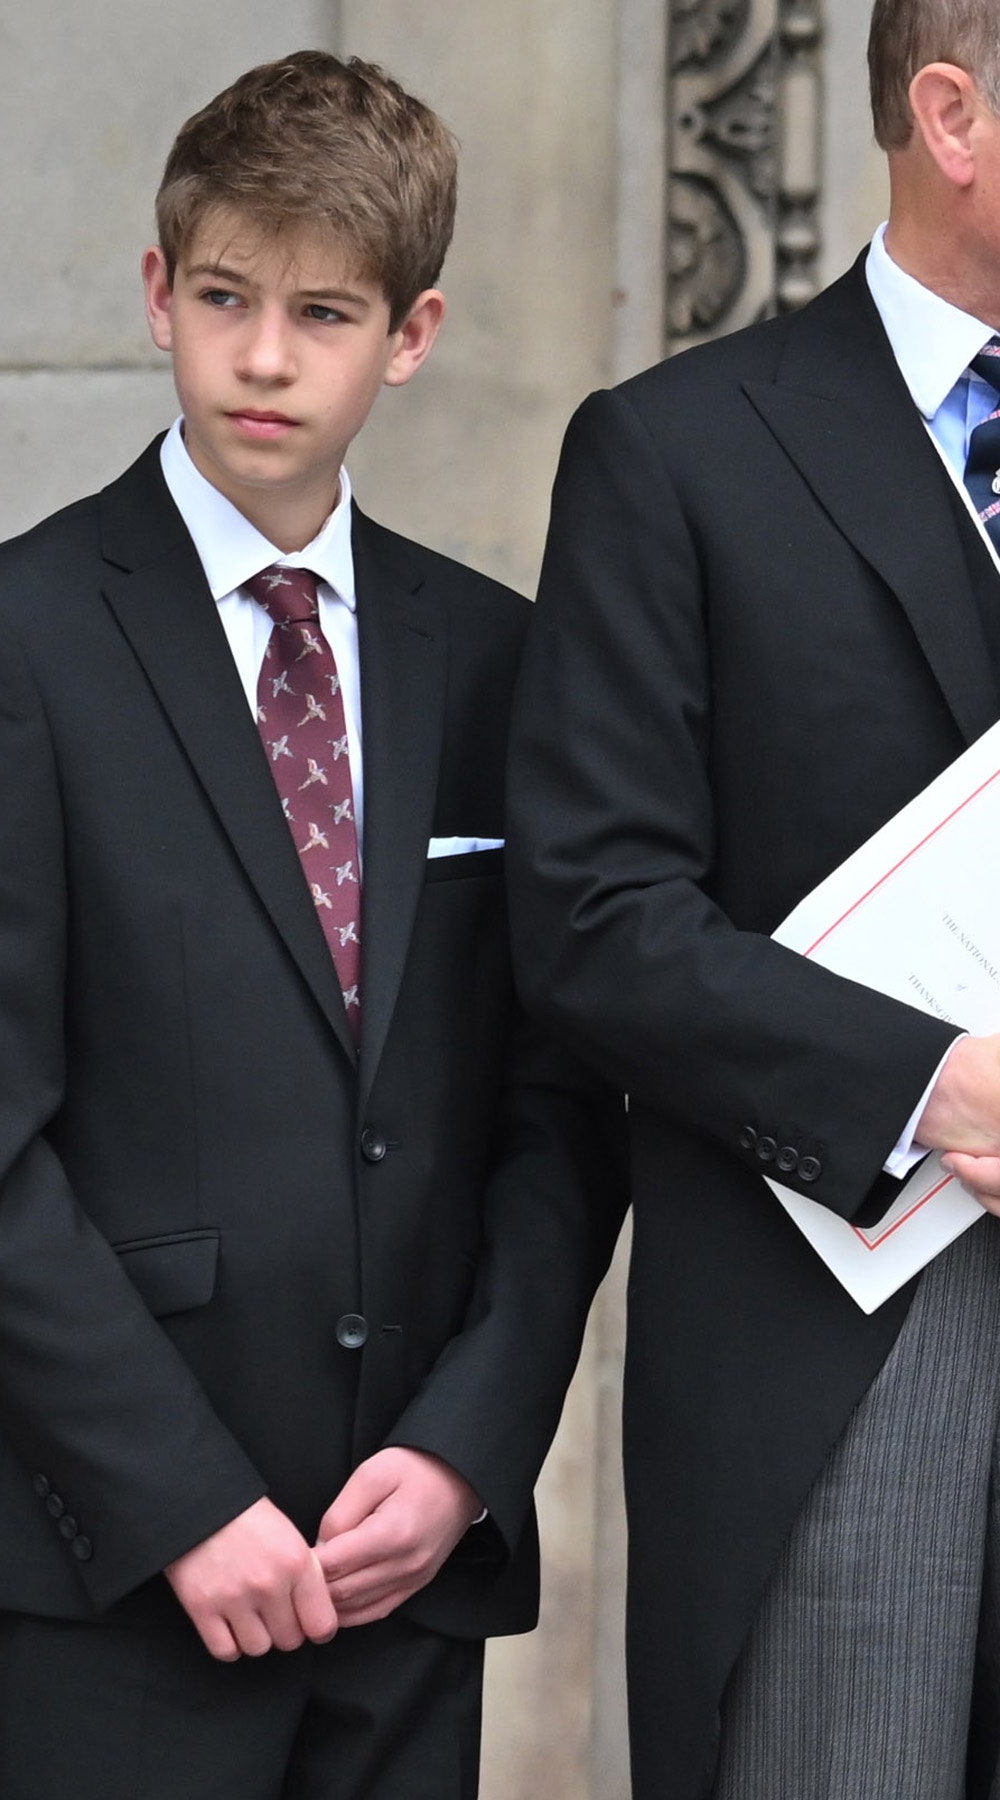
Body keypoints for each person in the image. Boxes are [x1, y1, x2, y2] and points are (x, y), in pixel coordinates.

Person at [0, 50, 622, 1800]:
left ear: (411, 335)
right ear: (159, 294)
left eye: (323, 312)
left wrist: (463, 1455)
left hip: (401, 1551)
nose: (264, 356)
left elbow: (561, 1107)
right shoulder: (2, 644)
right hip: (115, 1557)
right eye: (224, 296)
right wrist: (183, 1499)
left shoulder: (501, 661)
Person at [510, 3, 1000, 1796]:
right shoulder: (679, 453)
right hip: (844, 1357)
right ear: (950, 116)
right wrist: (932, 1089)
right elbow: (590, 913)